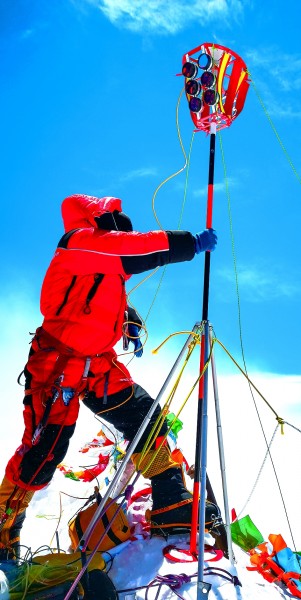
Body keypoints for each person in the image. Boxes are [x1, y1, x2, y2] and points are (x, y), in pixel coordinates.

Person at [0, 194, 218, 558]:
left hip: (97, 363)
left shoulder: (102, 261)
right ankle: (4, 527)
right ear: (98, 220)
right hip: (59, 366)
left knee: (144, 416)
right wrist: (189, 244)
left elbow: (103, 293)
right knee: (44, 450)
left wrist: (127, 319)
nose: (121, 228)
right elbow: (130, 250)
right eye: (115, 221)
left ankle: (171, 501)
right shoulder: (77, 243)